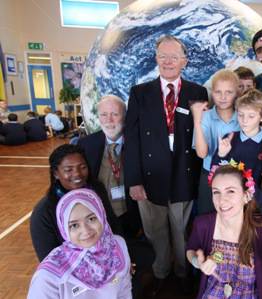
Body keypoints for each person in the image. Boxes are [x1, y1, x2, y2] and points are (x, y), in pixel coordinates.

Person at [124, 35, 208, 297]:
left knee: (183, 232)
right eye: (163, 56)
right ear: (156, 59)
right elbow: (132, 139)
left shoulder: (198, 92)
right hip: (149, 179)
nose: (168, 61)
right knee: (155, 232)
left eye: (174, 56)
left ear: (184, 61)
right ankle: (161, 273)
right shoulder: (140, 93)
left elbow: (202, 135)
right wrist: (134, 180)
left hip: (185, 175)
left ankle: (182, 275)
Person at [186, 164, 262, 299]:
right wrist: (198, 262)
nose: (221, 199)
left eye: (230, 191)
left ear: (246, 196)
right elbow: (190, 250)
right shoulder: (202, 224)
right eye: (216, 192)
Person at [27, 188, 132, 299]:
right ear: (64, 230)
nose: (86, 231)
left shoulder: (117, 246)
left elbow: (124, 291)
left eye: (91, 219)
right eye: (74, 225)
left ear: (102, 215)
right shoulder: (48, 276)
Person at [30, 144, 121, 261]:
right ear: (55, 173)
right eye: (69, 170)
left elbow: (112, 223)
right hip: (74, 269)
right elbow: (48, 257)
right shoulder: (43, 212)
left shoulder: (97, 189)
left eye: (82, 167)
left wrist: (120, 255)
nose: (77, 174)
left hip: (108, 256)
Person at [78, 95, 140, 236]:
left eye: (115, 114)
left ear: (124, 116)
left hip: (132, 216)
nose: (109, 120)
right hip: (99, 216)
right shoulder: (86, 145)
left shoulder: (138, 143)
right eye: (104, 114)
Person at [211, 89, 262, 216]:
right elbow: (215, 172)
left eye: (251, 116)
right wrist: (221, 154)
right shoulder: (229, 139)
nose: (244, 120)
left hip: (259, 204)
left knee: (260, 234)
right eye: (240, 115)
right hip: (232, 205)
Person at [191, 69, 240, 215]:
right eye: (218, 92)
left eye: (229, 92)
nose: (223, 97)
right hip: (209, 174)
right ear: (212, 93)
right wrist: (197, 121)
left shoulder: (242, 116)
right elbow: (201, 153)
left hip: (237, 174)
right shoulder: (205, 117)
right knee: (207, 215)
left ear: (236, 93)